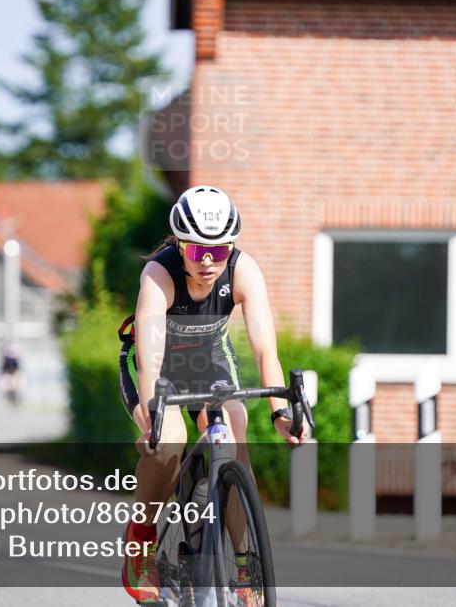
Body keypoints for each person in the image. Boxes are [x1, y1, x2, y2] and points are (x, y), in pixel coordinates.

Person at [118, 186, 307, 604]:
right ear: (180, 244)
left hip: (210, 363)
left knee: (235, 433)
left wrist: (280, 413)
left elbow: (264, 350)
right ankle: (142, 541)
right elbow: (150, 358)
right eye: (197, 250)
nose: (207, 262)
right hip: (159, 367)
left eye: (219, 252)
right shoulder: (159, 273)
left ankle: (243, 565)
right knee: (168, 442)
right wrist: (153, 418)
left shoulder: (244, 270)